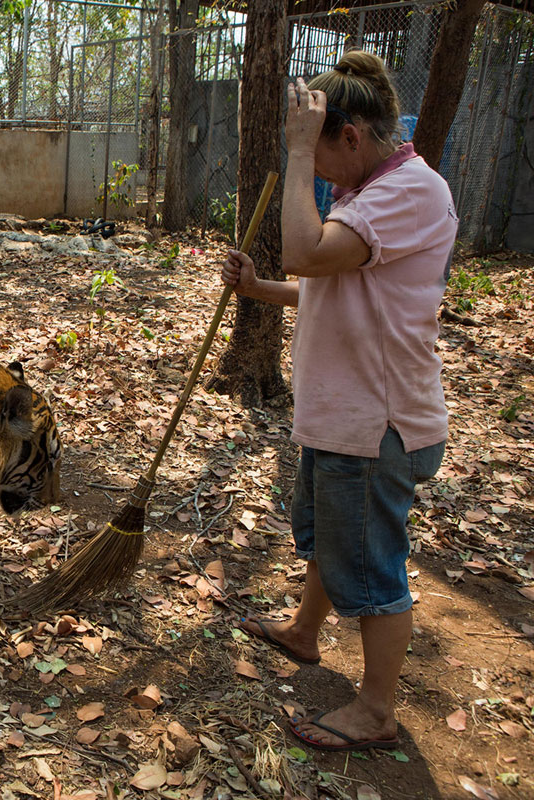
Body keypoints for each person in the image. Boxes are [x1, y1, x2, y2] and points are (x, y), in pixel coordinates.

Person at [222, 50, 457, 752]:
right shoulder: (368, 193)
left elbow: (304, 249)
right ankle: (303, 632)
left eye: (321, 154)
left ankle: (377, 710)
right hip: (342, 417)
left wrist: (297, 155)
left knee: (372, 570)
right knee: (328, 537)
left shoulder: (410, 192)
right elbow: (326, 279)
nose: (316, 171)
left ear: (349, 136)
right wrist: (261, 289)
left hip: (375, 426)